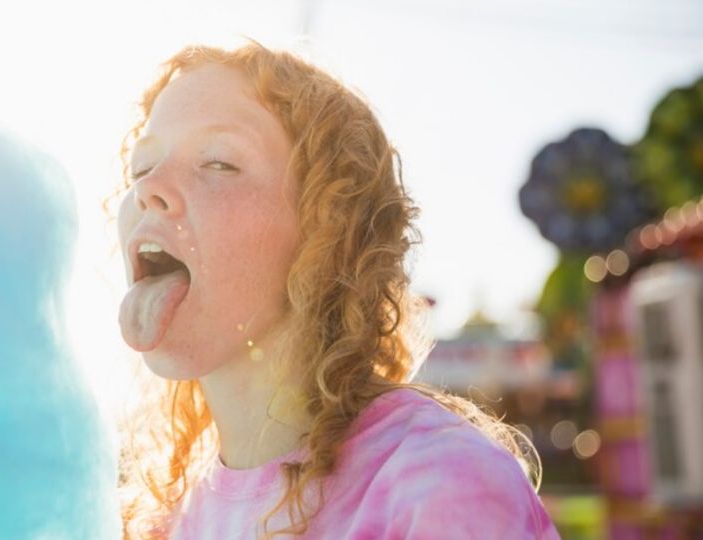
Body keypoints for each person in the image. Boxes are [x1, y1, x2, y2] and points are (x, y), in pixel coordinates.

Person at [113, 42, 560, 539]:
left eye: (219, 163)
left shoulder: (438, 483)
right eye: (141, 168)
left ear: (328, 231)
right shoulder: (165, 517)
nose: (148, 189)